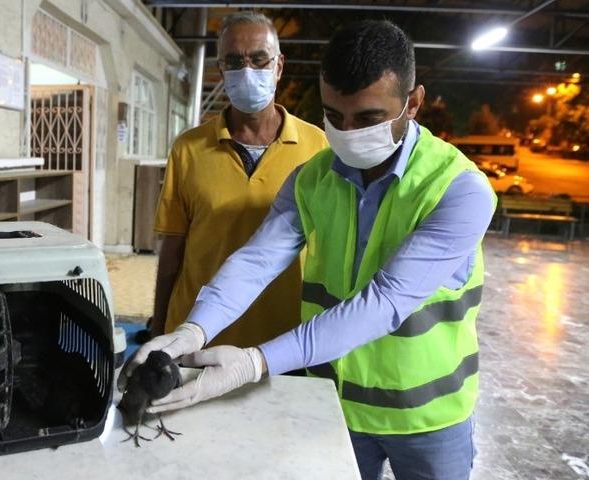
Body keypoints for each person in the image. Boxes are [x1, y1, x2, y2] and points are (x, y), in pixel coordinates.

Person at [123, 20, 495, 480]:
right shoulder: (313, 178)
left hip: (426, 417)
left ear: (412, 103)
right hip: (332, 401)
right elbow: (258, 260)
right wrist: (195, 330)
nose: (347, 133)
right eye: (334, 116)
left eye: (368, 118)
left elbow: (385, 301)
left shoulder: (458, 191)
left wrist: (255, 363)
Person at [149, 11, 328, 347]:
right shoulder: (189, 148)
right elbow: (172, 252)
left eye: (259, 60)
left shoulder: (317, 146)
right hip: (199, 335)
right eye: (234, 61)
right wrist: (159, 331)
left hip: (283, 340)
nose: (247, 71)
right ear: (221, 70)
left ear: (278, 66)